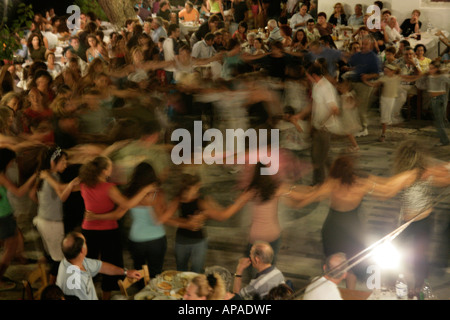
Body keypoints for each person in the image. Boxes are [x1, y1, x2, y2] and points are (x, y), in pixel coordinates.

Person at [78, 156, 156, 300]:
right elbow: (127, 205)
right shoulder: (109, 188)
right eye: (110, 167)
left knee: (87, 265)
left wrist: (94, 217)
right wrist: (144, 190)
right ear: (104, 171)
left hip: (88, 231)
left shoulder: (83, 184)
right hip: (108, 232)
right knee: (109, 265)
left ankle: (87, 295)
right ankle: (105, 297)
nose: (112, 169)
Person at [32, 146, 79, 284]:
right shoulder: (50, 176)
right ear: (53, 162)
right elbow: (62, 194)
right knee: (59, 260)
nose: (66, 164)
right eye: (63, 161)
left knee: (53, 258)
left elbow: (33, 194)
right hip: (52, 223)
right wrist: (71, 185)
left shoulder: (46, 175)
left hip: (42, 220)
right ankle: (53, 291)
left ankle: (50, 286)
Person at [56, 232, 142, 300]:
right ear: (82, 250)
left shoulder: (73, 259)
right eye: (85, 242)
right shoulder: (74, 284)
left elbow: (102, 266)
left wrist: (125, 272)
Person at [0, 148, 37, 291]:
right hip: (3, 216)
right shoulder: (1, 176)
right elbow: (19, 192)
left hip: (6, 214)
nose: (12, 164)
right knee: (9, 250)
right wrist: (34, 177)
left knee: (11, 247)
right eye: (11, 161)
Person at [347, 36, 381, 137]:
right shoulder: (357, 55)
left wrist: (367, 76)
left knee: (362, 107)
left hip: (365, 84)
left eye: (366, 44)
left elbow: (377, 73)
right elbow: (351, 63)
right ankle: (354, 125)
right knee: (351, 105)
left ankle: (363, 127)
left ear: (370, 45)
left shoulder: (373, 57)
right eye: (363, 44)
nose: (364, 46)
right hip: (354, 81)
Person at [362, 64, 402, 142]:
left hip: (392, 99)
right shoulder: (384, 78)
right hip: (385, 99)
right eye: (385, 70)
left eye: (387, 71)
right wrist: (365, 81)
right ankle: (384, 134)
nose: (385, 72)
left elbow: (410, 79)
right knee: (385, 117)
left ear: (392, 71)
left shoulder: (397, 77)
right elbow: (374, 84)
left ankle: (385, 133)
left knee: (388, 117)